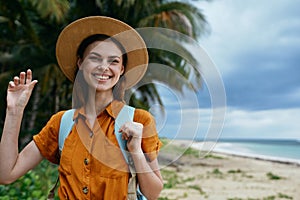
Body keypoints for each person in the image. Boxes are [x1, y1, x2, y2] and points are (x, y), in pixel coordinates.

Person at [0, 16, 163, 199]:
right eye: (95, 58)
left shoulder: (139, 121)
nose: (104, 67)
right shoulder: (61, 123)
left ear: (122, 69)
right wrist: (14, 111)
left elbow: (153, 193)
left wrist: (136, 151)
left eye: (114, 61)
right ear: (80, 63)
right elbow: (6, 174)